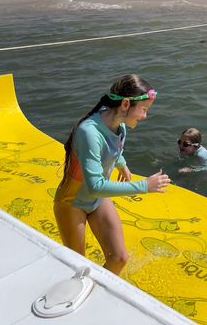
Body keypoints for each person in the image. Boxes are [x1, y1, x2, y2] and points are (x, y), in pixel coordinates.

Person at [53, 75, 171, 275]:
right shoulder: (89, 132)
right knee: (77, 268)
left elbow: (112, 149)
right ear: (125, 104)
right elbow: (96, 186)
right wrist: (144, 186)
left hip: (96, 200)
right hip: (72, 204)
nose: (144, 116)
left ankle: (97, 290)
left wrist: (122, 165)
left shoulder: (120, 125)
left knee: (119, 258)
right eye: (144, 109)